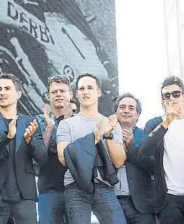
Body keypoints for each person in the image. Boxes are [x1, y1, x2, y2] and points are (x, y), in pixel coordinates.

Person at [0, 73, 47, 224]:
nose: (2, 92)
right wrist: (6, 137)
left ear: (18, 94)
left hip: (25, 196)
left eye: (7, 88)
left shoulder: (30, 122)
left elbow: (42, 158)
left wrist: (30, 140)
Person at [56, 73, 126, 224]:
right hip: (75, 187)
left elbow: (119, 162)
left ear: (99, 92)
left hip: (104, 186)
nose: (85, 91)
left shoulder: (111, 123)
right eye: (81, 88)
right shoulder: (66, 124)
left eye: (90, 88)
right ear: (76, 94)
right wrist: (93, 138)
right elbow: (63, 157)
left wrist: (107, 136)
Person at [140, 76, 184, 224]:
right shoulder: (156, 123)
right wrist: (167, 122)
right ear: (163, 100)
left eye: (176, 94)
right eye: (166, 95)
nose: (172, 98)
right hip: (169, 198)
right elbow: (144, 151)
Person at [112, 93, 156, 223]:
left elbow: (154, 166)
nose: (126, 110)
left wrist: (131, 148)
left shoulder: (146, 137)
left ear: (137, 115)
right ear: (116, 112)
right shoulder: (106, 135)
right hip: (111, 204)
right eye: (122, 107)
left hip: (141, 206)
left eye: (131, 108)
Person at [35, 75, 74, 224]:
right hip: (49, 188)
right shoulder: (40, 121)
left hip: (76, 190)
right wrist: (50, 127)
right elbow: (40, 155)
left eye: (62, 91)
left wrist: (68, 120)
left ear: (70, 94)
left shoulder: (79, 120)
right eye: (54, 92)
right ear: (48, 96)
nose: (58, 94)